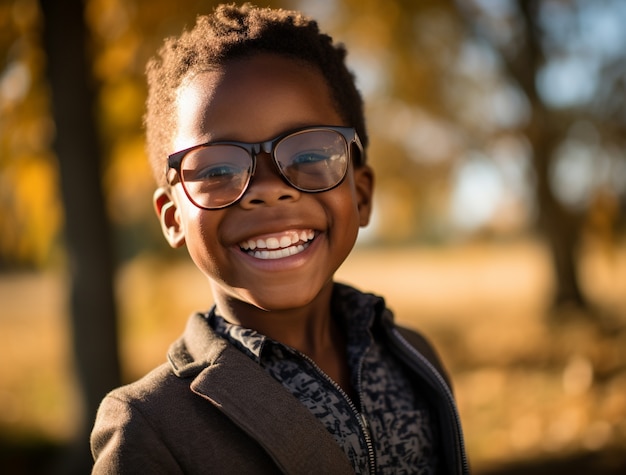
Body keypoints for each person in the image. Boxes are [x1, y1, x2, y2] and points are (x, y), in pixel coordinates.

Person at [90, 3, 468, 474]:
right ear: (172, 218)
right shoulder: (150, 424)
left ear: (362, 195)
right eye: (219, 168)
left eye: (310, 152)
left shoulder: (414, 357)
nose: (269, 189)